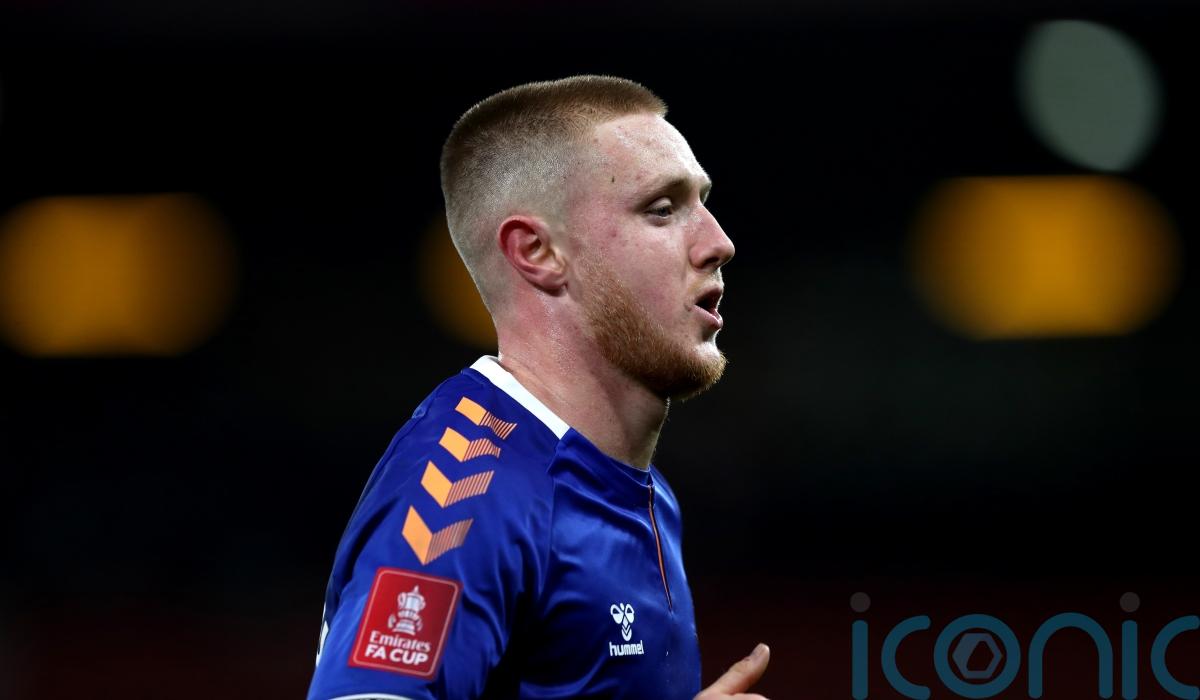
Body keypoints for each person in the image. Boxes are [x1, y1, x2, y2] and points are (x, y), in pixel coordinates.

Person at [307, 75, 769, 700]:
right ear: (538, 252)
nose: (719, 242)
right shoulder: (464, 491)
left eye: (703, 202)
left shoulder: (638, 488)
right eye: (662, 209)